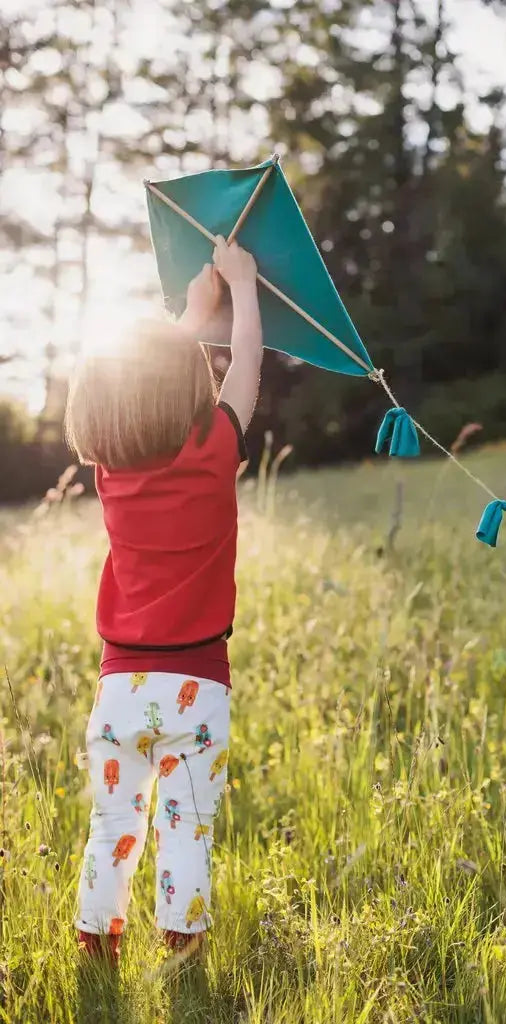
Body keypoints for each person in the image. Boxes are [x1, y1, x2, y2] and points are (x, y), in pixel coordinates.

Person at [65, 238, 262, 961]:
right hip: (197, 686)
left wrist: (191, 311)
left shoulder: (113, 467)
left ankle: (96, 942)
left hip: (120, 688)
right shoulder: (214, 449)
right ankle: (181, 949)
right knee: (187, 825)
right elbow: (244, 367)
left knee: (113, 823)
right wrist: (239, 292)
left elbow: (139, 393)